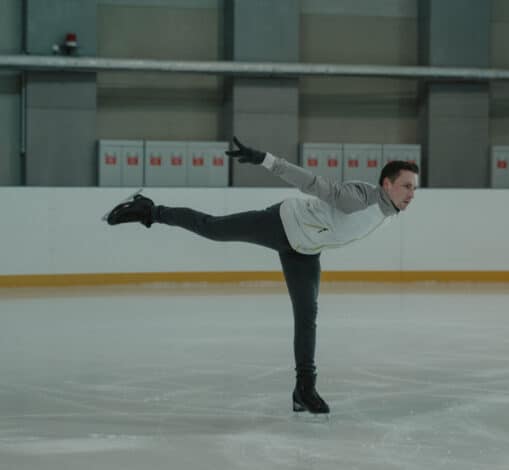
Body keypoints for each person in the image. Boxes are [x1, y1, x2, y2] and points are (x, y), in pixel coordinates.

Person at [105, 136, 419, 415]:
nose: (411, 194)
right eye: (406, 186)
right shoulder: (360, 198)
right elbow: (313, 183)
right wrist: (266, 159)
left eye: (415, 188)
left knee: (307, 316)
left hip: (305, 249)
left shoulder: (387, 212)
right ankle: (149, 210)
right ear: (387, 184)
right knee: (213, 228)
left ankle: (304, 391)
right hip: (282, 224)